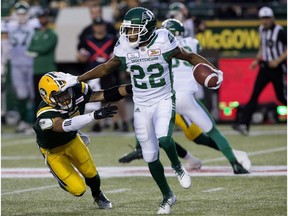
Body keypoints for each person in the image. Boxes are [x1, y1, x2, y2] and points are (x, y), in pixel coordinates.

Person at [58, 7, 223, 214]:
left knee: (164, 138)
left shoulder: (164, 40)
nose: (129, 34)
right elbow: (108, 67)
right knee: (150, 156)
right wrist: (78, 78)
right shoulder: (125, 45)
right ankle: (167, 196)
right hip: (141, 103)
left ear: (147, 29)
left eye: (133, 29)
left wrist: (214, 71)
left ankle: (178, 166)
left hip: (163, 97)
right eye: (127, 29)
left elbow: (189, 57)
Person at [118, 19, 251, 175]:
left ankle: (141, 148)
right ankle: (235, 164)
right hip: (187, 98)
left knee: (153, 131)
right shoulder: (192, 43)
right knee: (213, 131)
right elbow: (194, 54)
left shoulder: (156, 45)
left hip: (166, 97)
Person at [33, 71, 132, 209]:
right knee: (78, 189)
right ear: (48, 97)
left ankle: (98, 195)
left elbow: (103, 95)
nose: (65, 97)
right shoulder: (44, 113)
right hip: (53, 150)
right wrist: (93, 116)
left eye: (66, 92)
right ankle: (58, 175)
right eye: (59, 95)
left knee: (91, 172)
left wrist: (130, 88)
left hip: (72, 140)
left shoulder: (76, 90)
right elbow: (63, 125)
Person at [233, 6, 287, 136]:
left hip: (277, 68)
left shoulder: (279, 31)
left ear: (272, 18)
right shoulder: (261, 29)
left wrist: (278, 61)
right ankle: (244, 124)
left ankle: (244, 124)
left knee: (281, 97)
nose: (265, 21)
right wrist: (257, 60)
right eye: (263, 18)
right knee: (255, 94)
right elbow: (262, 46)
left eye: (267, 18)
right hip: (264, 67)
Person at [77, 17, 129, 132]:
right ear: (93, 27)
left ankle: (121, 122)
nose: (99, 27)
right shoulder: (87, 40)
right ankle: (98, 123)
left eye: (101, 25)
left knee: (116, 96)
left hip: (110, 72)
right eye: (96, 25)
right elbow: (80, 56)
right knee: (97, 96)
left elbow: (120, 55)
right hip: (94, 72)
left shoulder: (113, 39)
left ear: (105, 26)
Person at [6, 1, 40, 133]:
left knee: (33, 93)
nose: (21, 16)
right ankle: (23, 121)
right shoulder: (10, 25)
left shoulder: (34, 24)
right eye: (19, 13)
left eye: (24, 13)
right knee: (20, 94)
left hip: (32, 63)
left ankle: (33, 120)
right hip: (16, 64)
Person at [27, 8, 58, 109]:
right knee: (37, 96)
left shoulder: (52, 34)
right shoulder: (35, 34)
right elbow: (29, 48)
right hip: (37, 69)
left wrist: (36, 50)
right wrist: (37, 49)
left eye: (44, 17)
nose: (43, 19)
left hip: (48, 69)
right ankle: (38, 119)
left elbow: (45, 48)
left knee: (52, 96)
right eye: (40, 17)